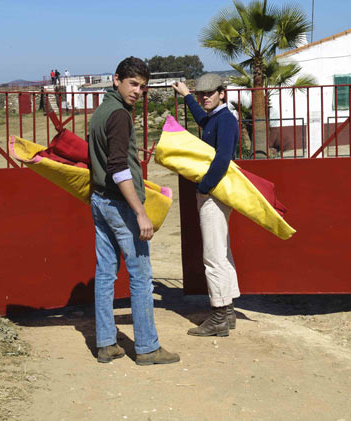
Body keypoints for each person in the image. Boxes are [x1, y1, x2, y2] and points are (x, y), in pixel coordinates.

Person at [88, 56, 180, 365]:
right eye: (132, 84)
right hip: (119, 204)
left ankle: (106, 343)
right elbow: (118, 168)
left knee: (105, 274)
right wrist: (140, 212)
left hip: (100, 200)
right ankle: (147, 347)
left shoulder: (101, 112)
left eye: (142, 87)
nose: (137, 91)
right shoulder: (119, 116)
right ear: (116, 80)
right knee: (141, 276)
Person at [172, 74, 239, 337]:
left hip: (214, 194)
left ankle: (220, 316)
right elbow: (202, 119)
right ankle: (229, 311)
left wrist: (202, 188)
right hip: (218, 193)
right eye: (202, 94)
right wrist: (187, 95)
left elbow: (222, 159)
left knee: (213, 256)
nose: (205, 97)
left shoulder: (225, 120)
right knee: (222, 251)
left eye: (209, 93)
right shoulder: (217, 118)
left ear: (222, 93)